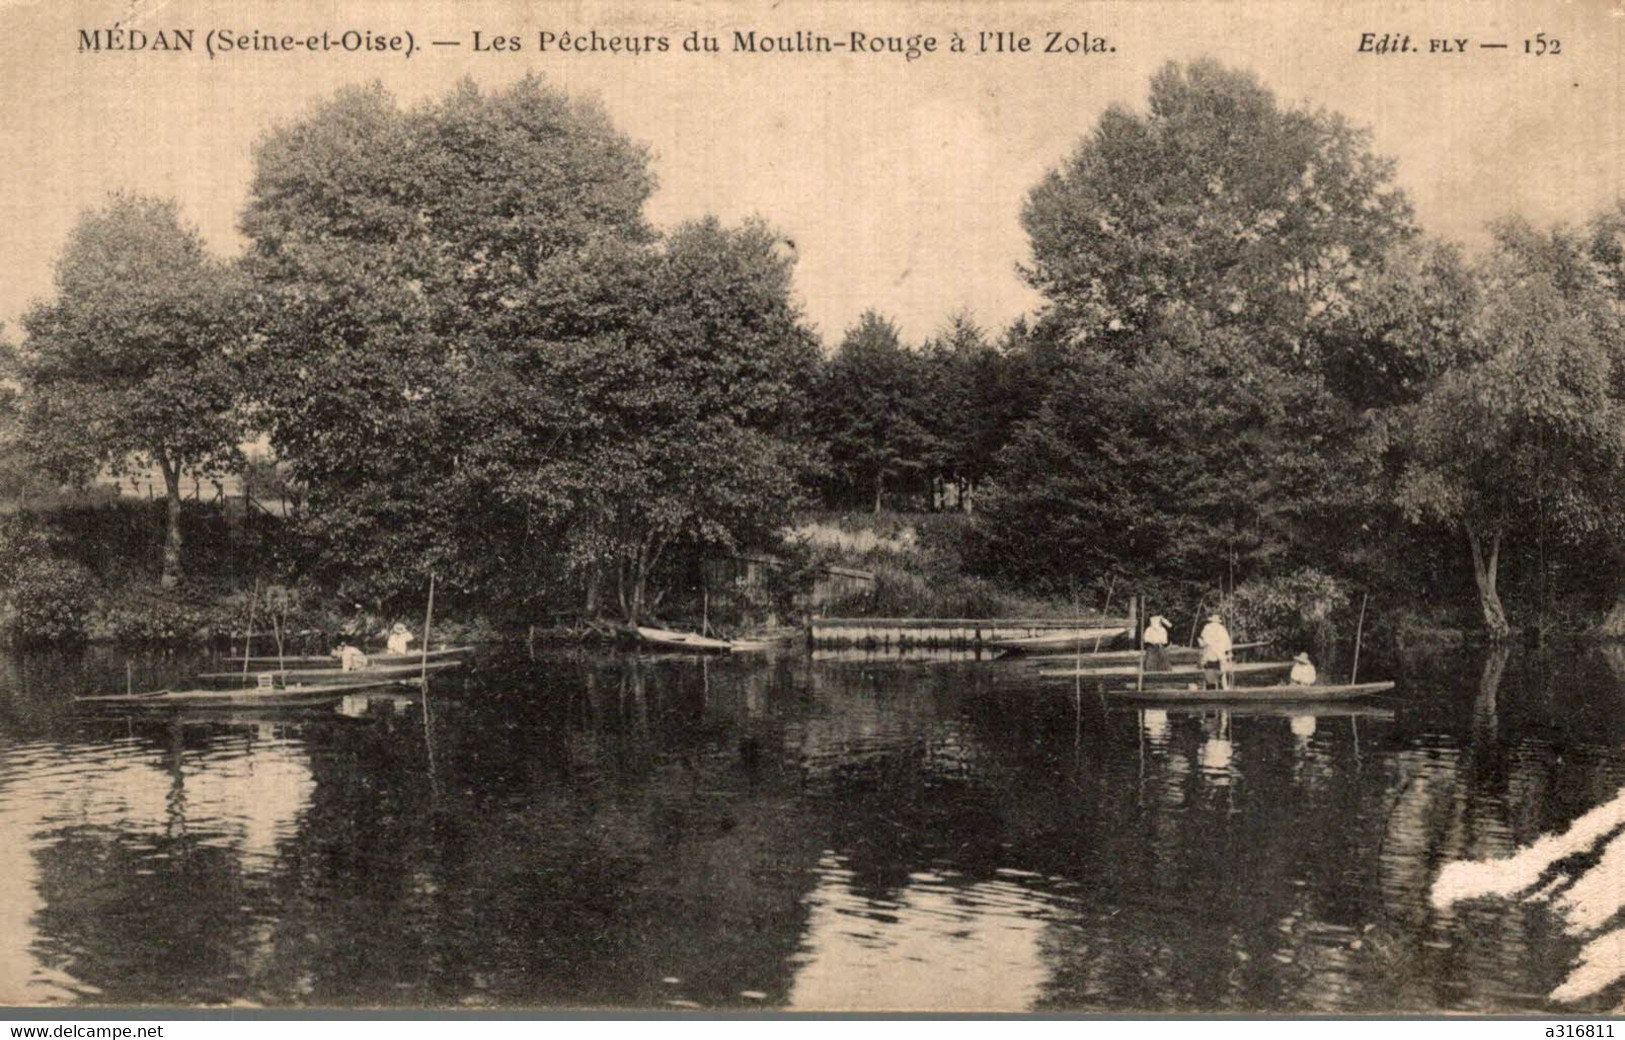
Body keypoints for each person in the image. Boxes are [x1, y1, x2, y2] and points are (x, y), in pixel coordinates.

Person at [1198, 613, 1233, 690]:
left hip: (1210, 653)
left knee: (1208, 666)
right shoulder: (1221, 629)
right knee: (1222, 668)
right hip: (1218, 653)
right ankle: (1224, 686)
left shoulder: (1207, 627)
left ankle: (1207, 685)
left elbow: (1202, 640)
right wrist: (1229, 652)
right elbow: (1227, 642)